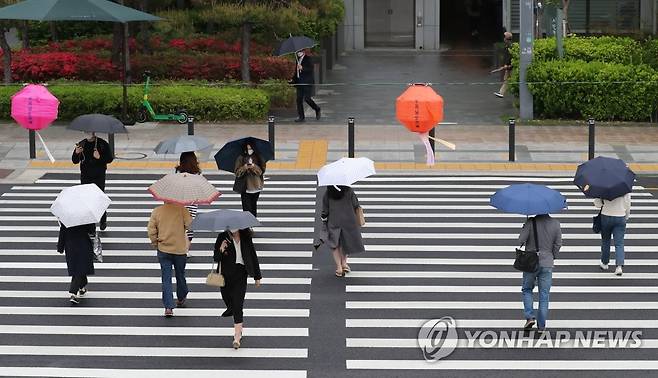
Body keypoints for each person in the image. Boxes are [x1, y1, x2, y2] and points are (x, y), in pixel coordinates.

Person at [214, 228, 262, 349]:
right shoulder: (222, 237)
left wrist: (257, 276)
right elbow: (216, 257)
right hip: (225, 275)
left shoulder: (246, 237)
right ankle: (232, 310)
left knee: (238, 304)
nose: (233, 229)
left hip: (241, 274)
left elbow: (252, 255)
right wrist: (221, 248)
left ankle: (237, 335)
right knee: (227, 300)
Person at [518, 214, 562, 332]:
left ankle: (529, 316)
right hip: (547, 262)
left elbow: (520, 240)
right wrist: (552, 256)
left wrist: (524, 228)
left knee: (527, 289)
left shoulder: (530, 222)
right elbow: (558, 244)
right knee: (544, 295)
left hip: (531, 262)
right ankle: (541, 325)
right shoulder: (556, 224)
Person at [148, 202, 192, 317]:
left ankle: (168, 306)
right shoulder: (182, 210)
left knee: (166, 278)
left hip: (163, 249)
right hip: (179, 250)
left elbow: (151, 230)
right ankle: (181, 296)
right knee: (180, 274)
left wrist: (155, 243)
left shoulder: (157, 211)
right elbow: (190, 225)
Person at [319, 185, 365, 277]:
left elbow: (325, 210)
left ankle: (339, 268)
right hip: (348, 220)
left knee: (335, 244)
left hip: (334, 221)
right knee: (346, 241)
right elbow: (355, 204)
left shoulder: (328, 192)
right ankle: (344, 263)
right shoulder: (349, 190)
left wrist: (324, 218)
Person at [72, 132, 113, 230]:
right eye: (86, 131)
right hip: (85, 176)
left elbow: (109, 158)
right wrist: (76, 153)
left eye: (89, 132)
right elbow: (74, 161)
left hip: (98, 176)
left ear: (94, 132)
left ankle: (103, 218)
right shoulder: (81, 144)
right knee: (88, 201)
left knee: (99, 198)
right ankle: (91, 226)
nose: (87, 134)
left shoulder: (102, 144)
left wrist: (99, 157)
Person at [57, 222, 96, 304]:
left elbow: (62, 232)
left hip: (70, 245)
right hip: (83, 244)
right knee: (81, 267)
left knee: (79, 267)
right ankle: (74, 293)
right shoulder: (86, 217)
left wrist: (60, 247)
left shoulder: (67, 218)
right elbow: (92, 231)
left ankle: (81, 288)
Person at [595, 193, 631, 276]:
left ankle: (605, 263)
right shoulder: (624, 188)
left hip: (606, 215)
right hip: (620, 216)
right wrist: (626, 216)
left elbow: (597, 204)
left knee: (606, 240)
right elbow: (628, 203)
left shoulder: (602, 187)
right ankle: (619, 266)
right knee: (619, 243)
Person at [175, 152, 201, 258]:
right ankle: (185, 250)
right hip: (192, 202)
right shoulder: (197, 174)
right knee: (189, 226)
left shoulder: (178, 173)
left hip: (180, 201)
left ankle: (180, 248)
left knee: (180, 225)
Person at [233, 143, 265, 217]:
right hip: (245, 187)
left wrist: (253, 167)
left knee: (253, 206)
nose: (249, 150)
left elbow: (261, 172)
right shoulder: (241, 158)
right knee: (246, 209)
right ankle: (248, 225)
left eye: (251, 148)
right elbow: (237, 173)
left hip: (256, 187)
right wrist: (244, 167)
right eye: (248, 148)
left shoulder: (258, 157)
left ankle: (252, 223)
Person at [290, 48, 321, 123]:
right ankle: (301, 117)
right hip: (299, 82)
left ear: (303, 52)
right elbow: (296, 71)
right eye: (298, 51)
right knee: (299, 99)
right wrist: (293, 80)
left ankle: (317, 108)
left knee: (307, 99)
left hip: (307, 82)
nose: (298, 53)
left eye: (300, 51)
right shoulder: (298, 59)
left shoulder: (308, 59)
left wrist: (302, 68)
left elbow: (310, 69)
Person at [494, 31, 513, 98]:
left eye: (504, 37)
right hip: (508, 67)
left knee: (512, 80)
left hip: (511, 67)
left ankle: (501, 93)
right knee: (507, 80)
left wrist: (507, 65)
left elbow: (510, 57)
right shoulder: (507, 46)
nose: (503, 39)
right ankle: (501, 92)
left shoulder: (510, 46)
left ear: (506, 38)